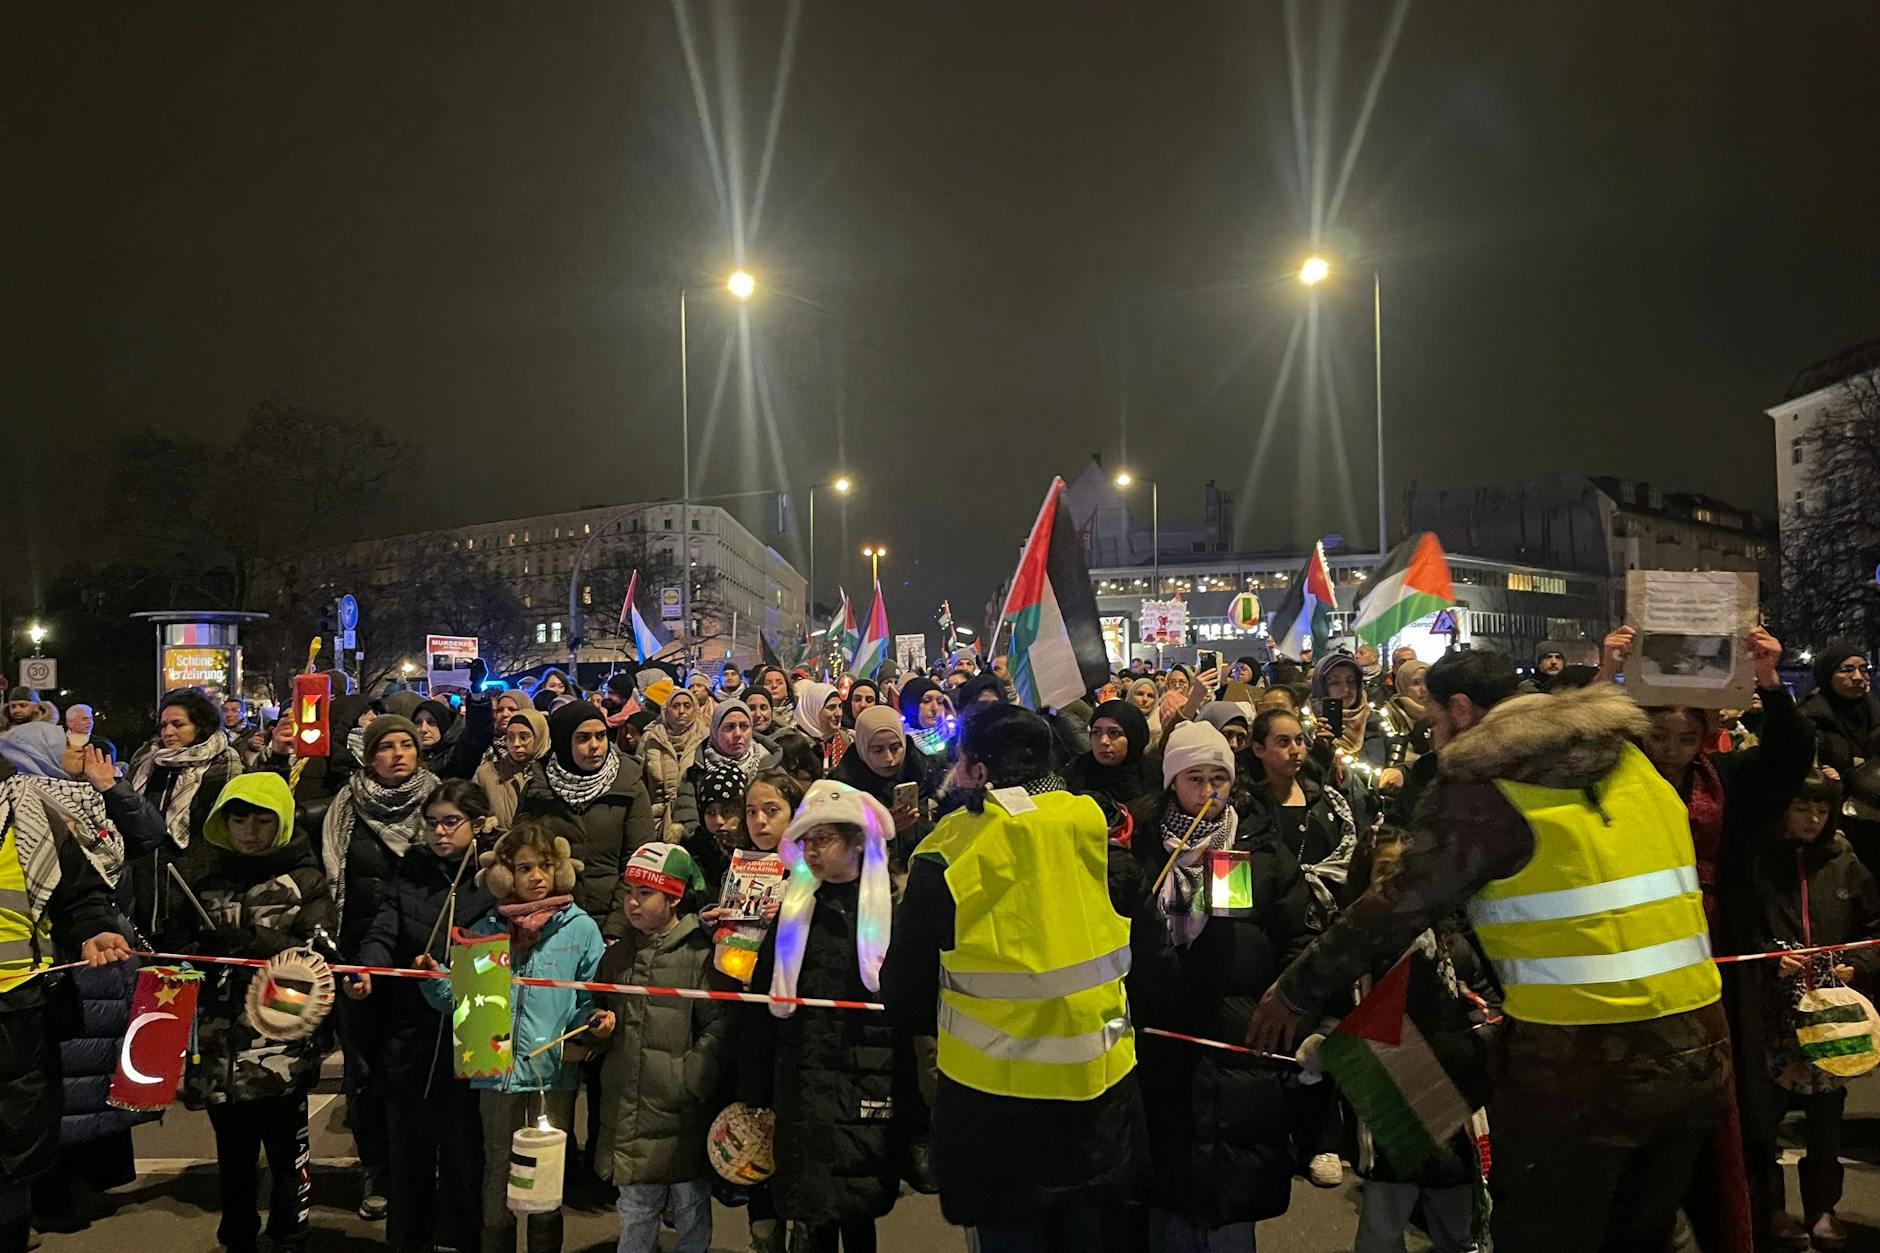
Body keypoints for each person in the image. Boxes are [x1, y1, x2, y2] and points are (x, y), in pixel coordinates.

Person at [1250, 651, 1730, 1252]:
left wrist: (1295, 990)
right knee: (1644, 1234)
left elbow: (1398, 903)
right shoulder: (1632, 759)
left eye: (1433, 716)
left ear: (1459, 710)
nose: (1432, 732)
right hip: (1697, 1050)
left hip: (1581, 1067)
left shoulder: (1493, 786)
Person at [882, 705, 1147, 1251]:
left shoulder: (947, 851)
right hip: (1100, 1098)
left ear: (979, 771)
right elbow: (1148, 951)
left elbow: (904, 994)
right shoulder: (1096, 828)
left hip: (993, 1113)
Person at [1116, 719, 1312, 1248]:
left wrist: (1288, 1005)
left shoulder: (1258, 850)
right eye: (1194, 779)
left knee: (1230, 1191)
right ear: (1172, 783)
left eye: (1217, 779)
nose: (1208, 792)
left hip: (1238, 1036)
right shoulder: (1141, 850)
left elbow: (1298, 936)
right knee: (1165, 1185)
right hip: (1161, 1038)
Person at [157, 771, 334, 1253]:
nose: (250, 830)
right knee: (232, 1153)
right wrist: (190, 948)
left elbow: (317, 956)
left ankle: (289, 1229)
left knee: (285, 1150)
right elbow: (174, 951)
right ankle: (236, 1234)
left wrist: (253, 944)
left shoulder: (304, 880)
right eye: (239, 820)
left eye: (262, 820)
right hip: (217, 1044)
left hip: (281, 1040)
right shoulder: (201, 878)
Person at [417, 819, 604, 1253]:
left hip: (550, 1072)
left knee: (546, 1172)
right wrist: (433, 978)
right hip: (497, 1073)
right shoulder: (486, 930)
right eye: (523, 868)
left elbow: (589, 997)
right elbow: (459, 1001)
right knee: (497, 1169)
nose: (536, 877)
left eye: (544, 866)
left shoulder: (580, 930)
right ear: (504, 875)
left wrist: (593, 1025)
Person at [743, 781, 906, 1252]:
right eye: (807, 841)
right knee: (811, 1213)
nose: (812, 852)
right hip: (803, 1077)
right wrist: (753, 1088)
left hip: (866, 1079)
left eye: (824, 840)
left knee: (857, 1211)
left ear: (857, 842)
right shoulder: (796, 910)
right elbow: (763, 1000)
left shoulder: (887, 912)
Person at [345, 778, 493, 1253]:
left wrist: (452, 976)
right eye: (431, 823)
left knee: (465, 1155)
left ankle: (465, 1238)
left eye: (452, 822)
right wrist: (369, 969)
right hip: (410, 1028)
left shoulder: (493, 877)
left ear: (477, 823)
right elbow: (384, 926)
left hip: (475, 1022)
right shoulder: (410, 870)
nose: (439, 832)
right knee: (408, 1152)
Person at [1739, 770, 1880, 1250]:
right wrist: (1769, 960)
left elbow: (1873, 928)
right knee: (1765, 1121)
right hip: (1773, 1015)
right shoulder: (1758, 863)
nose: (1813, 820)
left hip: (1834, 1011)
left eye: (1821, 811)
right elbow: (1737, 933)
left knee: (1826, 1119)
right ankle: (1772, 1209)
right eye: (1802, 809)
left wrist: (1858, 966)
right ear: (1784, 809)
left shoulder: (1846, 862)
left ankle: (1823, 1211)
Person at [321, 713, 439, 1221]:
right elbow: (331, 877)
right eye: (385, 746)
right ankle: (379, 1170)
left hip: (421, 957)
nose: (397, 754)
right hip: (359, 959)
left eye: (405, 745)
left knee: (421, 1067)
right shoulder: (345, 808)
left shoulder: (440, 803)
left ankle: (425, 1170)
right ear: (368, 756)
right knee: (366, 1070)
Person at [594, 842, 735, 1253]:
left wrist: (690, 1079)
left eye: (645, 893)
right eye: (629, 891)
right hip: (627, 1107)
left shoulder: (699, 955)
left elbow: (719, 1027)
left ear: (673, 898)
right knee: (636, 1207)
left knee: (689, 1202)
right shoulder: (619, 955)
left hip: (680, 1109)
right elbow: (599, 1009)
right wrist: (598, 1028)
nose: (633, 903)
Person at [516, 702, 656, 940]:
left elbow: (639, 862)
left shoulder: (628, 784)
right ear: (563, 741)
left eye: (600, 736)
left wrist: (615, 929)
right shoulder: (538, 790)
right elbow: (523, 856)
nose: (595, 746)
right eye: (583, 738)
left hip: (614, 922)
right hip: (552, 923)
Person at [125, 688, 245, 859]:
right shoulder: (149, 760)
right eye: (164, 725)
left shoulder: (223, 763)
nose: (168, 732)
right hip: (147, 868)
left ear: (200, 726)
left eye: (178, 724)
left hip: (199, 871)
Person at [831, 705, 934, 875]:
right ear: (863, 748)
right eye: (877, 750)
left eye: (895, 748)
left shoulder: (918, 770)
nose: (889, 759)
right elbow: (840, 850)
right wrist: (877, 830)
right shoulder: (843, 787)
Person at [669, 699, 782, 840]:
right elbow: (687, 820)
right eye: (729, 727)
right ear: (715, 731)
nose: (738, 734)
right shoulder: (697, 771)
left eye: (744, 726)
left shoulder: (771, 766)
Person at [640, 686, 705, 840]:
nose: (681, 711)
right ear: (666, 710)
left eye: (687, 706)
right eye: (675, 706)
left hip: (692, 822)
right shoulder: (651, 738)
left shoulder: (705, 738)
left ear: (695, 710)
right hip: (655, 822)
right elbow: (640, 781)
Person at [1063, 698, 1150, 807]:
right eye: (1096, 732)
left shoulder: (1153, 778)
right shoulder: (1073, 775)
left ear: (1133, 737)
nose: (1103, 741)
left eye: (1114, 733)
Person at [474, 706, 548, 831]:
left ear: (540, 737)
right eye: (510, 737)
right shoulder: (487, 773)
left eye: (524, 737)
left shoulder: (552, 774)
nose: (516, 744)